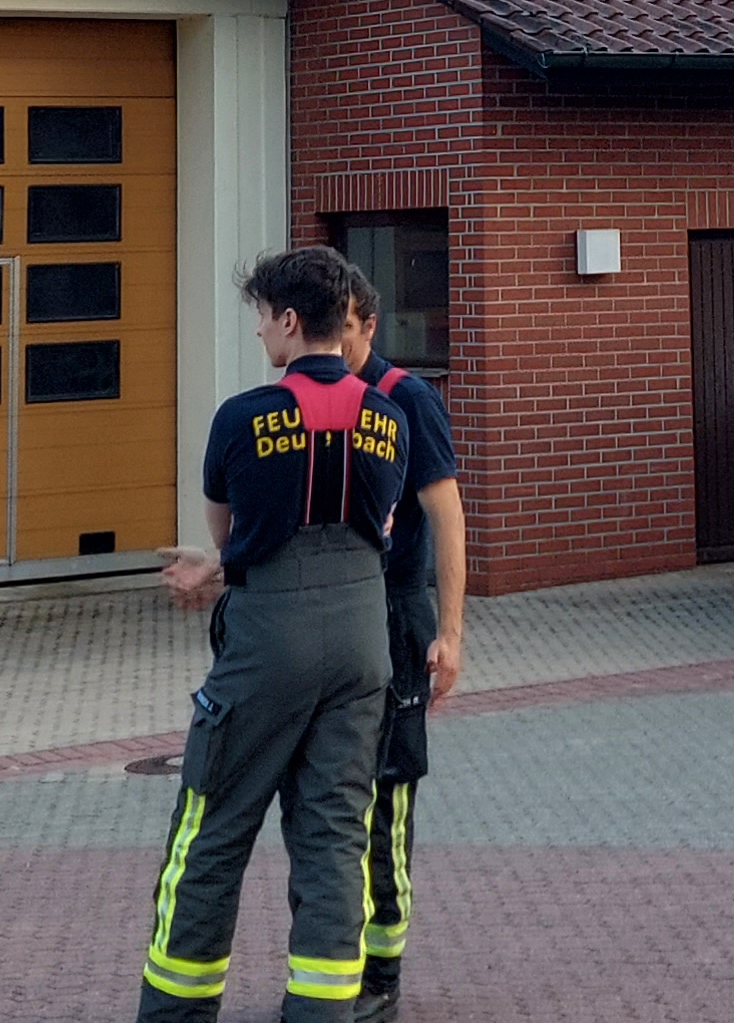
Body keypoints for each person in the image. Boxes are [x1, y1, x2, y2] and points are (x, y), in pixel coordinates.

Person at [142, 248, 402, 1023]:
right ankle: (322, 1012)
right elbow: (380, 526)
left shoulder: (243, 418)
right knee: (333, 837)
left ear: (289, 321)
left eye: (261, 317)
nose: (258, 332)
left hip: (267, 641)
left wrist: (213, 567)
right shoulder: (389, 416)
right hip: (363, 636)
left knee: (211, 830)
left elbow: (227, 536)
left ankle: (176, 1013)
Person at [335, 287, 463, 1023]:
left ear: (370, 325)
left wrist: (450, 631)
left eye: (347, 333)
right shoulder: (313, 399)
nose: (337, 347)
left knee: (389, 800)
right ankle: (336, 958)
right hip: (339, 617)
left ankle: (382, 973)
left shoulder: (407, 399)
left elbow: (447, 516)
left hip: (398, 612)